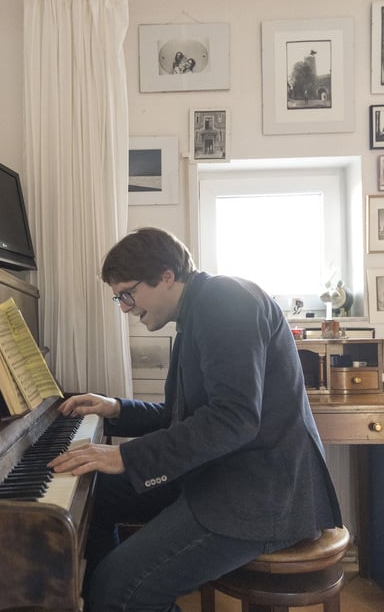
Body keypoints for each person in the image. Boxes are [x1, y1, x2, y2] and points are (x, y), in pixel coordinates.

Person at [48, 227, 342, 612]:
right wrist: (115, 409)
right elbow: (184, 419)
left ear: (167, 276)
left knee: (121, 586)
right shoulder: (198, 311)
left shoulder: (226, 300)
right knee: (97, 492)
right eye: (118, 297)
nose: (124, 307)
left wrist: (127, 457)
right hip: (221, 473)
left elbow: (233, 419)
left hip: (262, 494)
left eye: (127, 293)